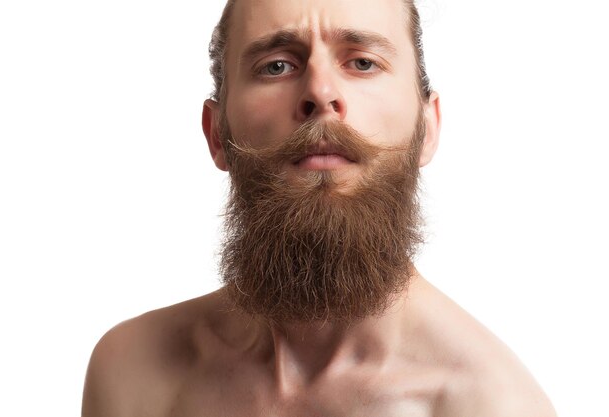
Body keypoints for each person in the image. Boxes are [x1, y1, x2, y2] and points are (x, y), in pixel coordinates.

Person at [82, 0, 557, 415]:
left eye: (363, 62)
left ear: (426, 129)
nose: (321, 92)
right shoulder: (132, 376)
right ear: (216, 134)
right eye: (277, 65)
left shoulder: (492, 406)